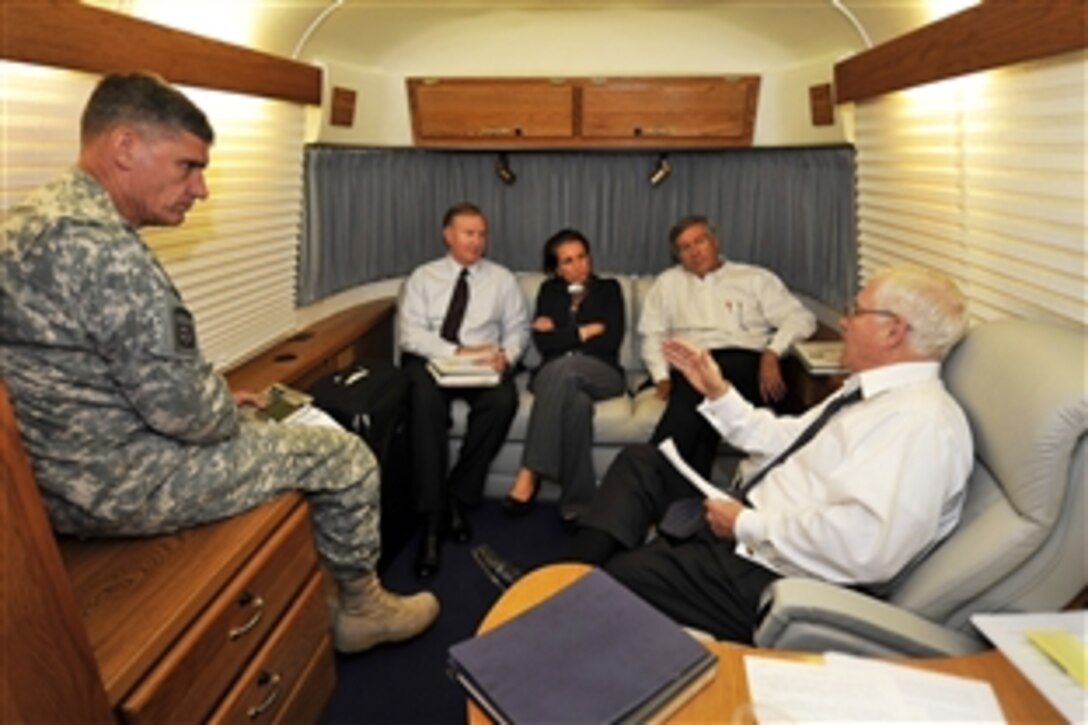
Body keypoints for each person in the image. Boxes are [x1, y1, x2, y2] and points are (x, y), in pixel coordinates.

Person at [0, 72, 438, 655]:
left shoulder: (32, 220)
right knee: (344, 454)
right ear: (125, 146)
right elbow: (192, 418)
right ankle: (363, 607)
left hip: (59, 475)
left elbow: (102, 373)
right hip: (118, 485)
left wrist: (213, 399)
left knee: (268, 413)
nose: (200, 189)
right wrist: (220, 409)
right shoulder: (104, 250)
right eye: (188, 166)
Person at [570, 265, 973, 642]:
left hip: (779, 573)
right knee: (642, 463)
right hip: (752, 524)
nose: (845, 321)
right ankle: (565, 583)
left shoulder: (919, 424)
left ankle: (571, 599)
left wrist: (746, 524)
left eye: (857, 310)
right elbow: (786, 438)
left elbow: (864, 547)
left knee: (621, 581)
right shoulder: (866, 395)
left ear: (893, 331)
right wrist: (717, 391)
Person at [398, 202, 529, 578]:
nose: (476, 241)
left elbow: (518, 329)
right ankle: (431, 519)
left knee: (503, 400)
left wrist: (506, 355)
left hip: (482, 364)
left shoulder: (501, 279)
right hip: (432, 359)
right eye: (468, 233)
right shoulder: (423, 277)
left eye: (482, 234)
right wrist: (457, 352)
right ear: (448, 234)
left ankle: (458, 494)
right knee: (424, 401)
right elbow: (410, 336)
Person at [641, 216, 816, 478]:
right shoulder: (667, 283)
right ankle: (688, 502)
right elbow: (652, 335)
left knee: (695, 393)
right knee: (701, 414)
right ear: (678, 255)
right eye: (685, 247)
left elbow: (802, 319)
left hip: (744, 364)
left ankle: (650, 474)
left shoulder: (754, 278)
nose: (694, 251)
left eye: (700, 241)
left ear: (715, 241)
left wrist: (773, 352)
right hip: (692, 367)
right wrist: (661, 377)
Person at [502, 229, 627, 525]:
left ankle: (530, 471)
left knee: (567, 368)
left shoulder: (609, 289)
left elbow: (609, 342)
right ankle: (577, 506)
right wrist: (584, 332)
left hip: (602, 372)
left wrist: (561, 334)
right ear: (557, 268)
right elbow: (544, 345)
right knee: (577, 405)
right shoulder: (549, 292)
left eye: (582, 257)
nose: (578, 266)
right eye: (568, 261)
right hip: (553, 375)